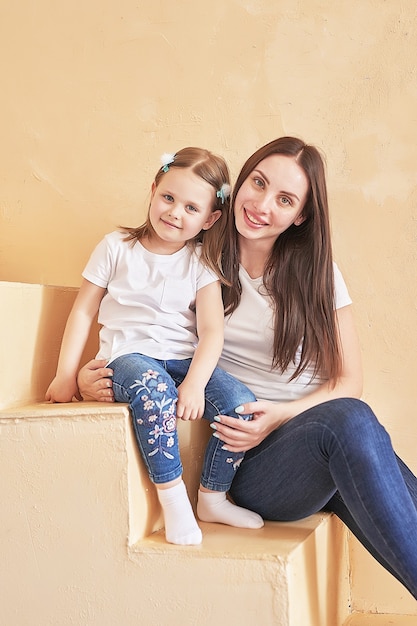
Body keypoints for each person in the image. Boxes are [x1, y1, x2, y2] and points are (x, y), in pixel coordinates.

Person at [78, 136, 417, 600]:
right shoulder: (194, 258)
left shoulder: (318, 273)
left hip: (320, 435)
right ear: (238, 185)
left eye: (284, 199)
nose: (260, 204)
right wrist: (87, 376)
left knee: (357, 431)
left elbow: (348, 382)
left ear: (300, 215)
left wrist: (279, 414)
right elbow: (139, 328)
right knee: (352, 424)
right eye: (257, 183)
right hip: (247, 460)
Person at [46, 146, 263, 547]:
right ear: (153, 190)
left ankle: (213, 497)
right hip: (129, 356)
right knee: (154, 391)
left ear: (210, 218)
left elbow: (212, 331)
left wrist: (196, 384)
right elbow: (82, 312)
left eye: (191, 208)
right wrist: (64, 376)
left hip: (182, 359)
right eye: (168, 198)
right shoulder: (115, 247)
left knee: (242, 406)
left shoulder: (201, 262)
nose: (175, 213)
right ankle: (173, 497)